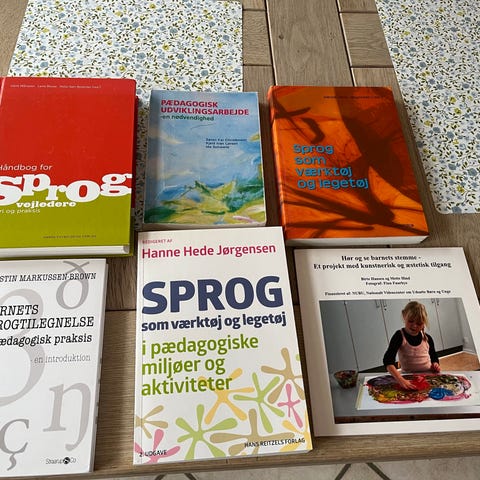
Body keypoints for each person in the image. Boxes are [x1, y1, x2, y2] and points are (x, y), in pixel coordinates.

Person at [383, 301, 440, 390]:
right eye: (411, 321)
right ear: (404, 316)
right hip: (408, 378)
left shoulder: (427, 338)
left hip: (428, 376)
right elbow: (388, 360)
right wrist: (400, 379)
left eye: (419, 323)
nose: (414, 326)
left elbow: (434, 357)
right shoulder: (399, 336)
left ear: (424, 323)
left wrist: (435, 364)